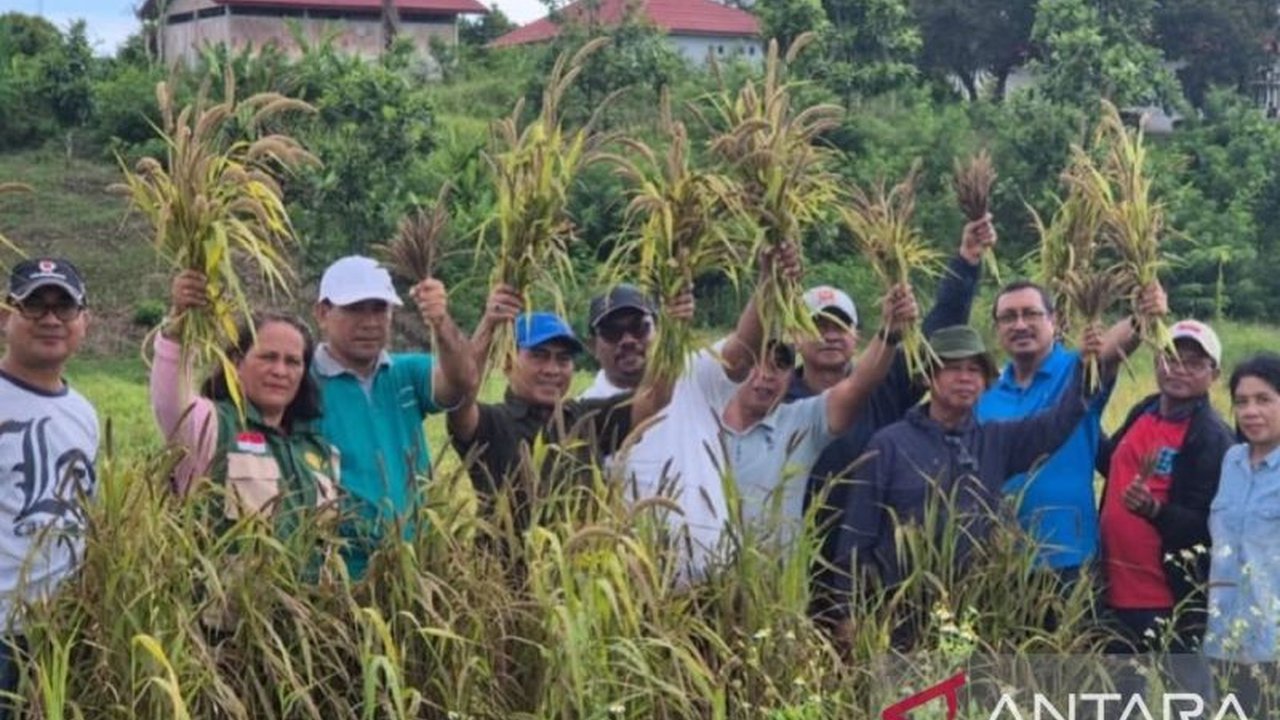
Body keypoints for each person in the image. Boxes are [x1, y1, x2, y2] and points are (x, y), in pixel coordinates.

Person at [621, 280, 919, 573]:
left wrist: (889, 335)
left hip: (773, 599)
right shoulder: (697, 424)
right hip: (698, 591)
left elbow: (856, 387)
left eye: (779, 364)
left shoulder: (799, 424)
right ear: (736, 371)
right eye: (756, 364)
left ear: (792, 373)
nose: (766, 376)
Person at [790, 215, 992, 620]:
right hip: (795, 558)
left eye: (840, 326)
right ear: (795, 335)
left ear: (857, 338)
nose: (830, 335)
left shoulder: (884, 383)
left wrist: (967, 261)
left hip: (874, 561)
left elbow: (936, 331)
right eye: (818, 326)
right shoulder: (775, 397)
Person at [834, 323, 1108, 620]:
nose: (965, 378)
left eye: (974, 370)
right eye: (952, 368)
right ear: (927, 376)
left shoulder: (997, 441)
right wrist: (850, 615)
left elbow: (1057, 423)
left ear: (986, 380)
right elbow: (856, 536)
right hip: (899, 615)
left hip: (977, 615)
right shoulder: (890, 444)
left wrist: (1087, 367)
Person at [975, 279, 1168, 584]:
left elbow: (1110, 351)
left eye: (1031, 314)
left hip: (1070, 558)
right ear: (997, 328)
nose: (1020, 324)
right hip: (1000, 557)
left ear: (1054, 320)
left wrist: (1140, 317)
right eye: (1009, 317)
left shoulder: (1078, 368)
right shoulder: (985, 390)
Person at [451, 288, 693, 511]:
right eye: (539, 356)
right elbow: (461, 394)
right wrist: (489, 323)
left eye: (563, 359)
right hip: (506, 559)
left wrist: (674, 327)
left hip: (581, 557)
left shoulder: (585, 419)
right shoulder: (491, 423)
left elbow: (654, 398)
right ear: (507, 361)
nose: (552, 369)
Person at [311, 256, 478, 578]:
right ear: (322, 313)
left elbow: (463, 381)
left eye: (379, 309)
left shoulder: (407, 372)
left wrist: (441, 322)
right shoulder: (299, 381)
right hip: (338, 574)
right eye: (355, 308)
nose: (370, 322)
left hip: (417, 568)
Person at [150, 270, 340, 535]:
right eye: (268, 357)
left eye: (293, 361)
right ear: (237, 364)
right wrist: (179, 322)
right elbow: (170, 403)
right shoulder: (211, 428)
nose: (280, 371)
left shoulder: (318, 448)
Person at [1096, 320, 1233, 654]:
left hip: (1164, 599)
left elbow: (1210, 527)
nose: (1179, 369)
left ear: (1214, 375)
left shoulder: (1212, 438)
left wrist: (1153, 510)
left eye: (1194, 363)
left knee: (1171, 698)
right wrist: (1081, 418)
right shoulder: (1144, 409)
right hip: (1112, 587)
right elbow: (1112, 464)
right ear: (1157, 363)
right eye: (1171, 357)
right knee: (1117, 699)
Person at [0, 258, 98, 713]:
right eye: (34, 305)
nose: (51, 319)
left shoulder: (84, 413)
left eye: (65, 307)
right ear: (6, 316)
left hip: (60, 634)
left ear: (84, 322)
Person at [1204, 352, 1280, 715]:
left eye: (1264, 400)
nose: (1250, 411)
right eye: (1241, 402)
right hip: (1223, 639)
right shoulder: (1231, 461)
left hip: (1272, 643)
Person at [580, 284, 657, 400]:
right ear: (593, 346)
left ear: (659, 330)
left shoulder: (691, 378)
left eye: (638, 327)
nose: (628, 341)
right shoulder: (584, 412)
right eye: (612, 332)